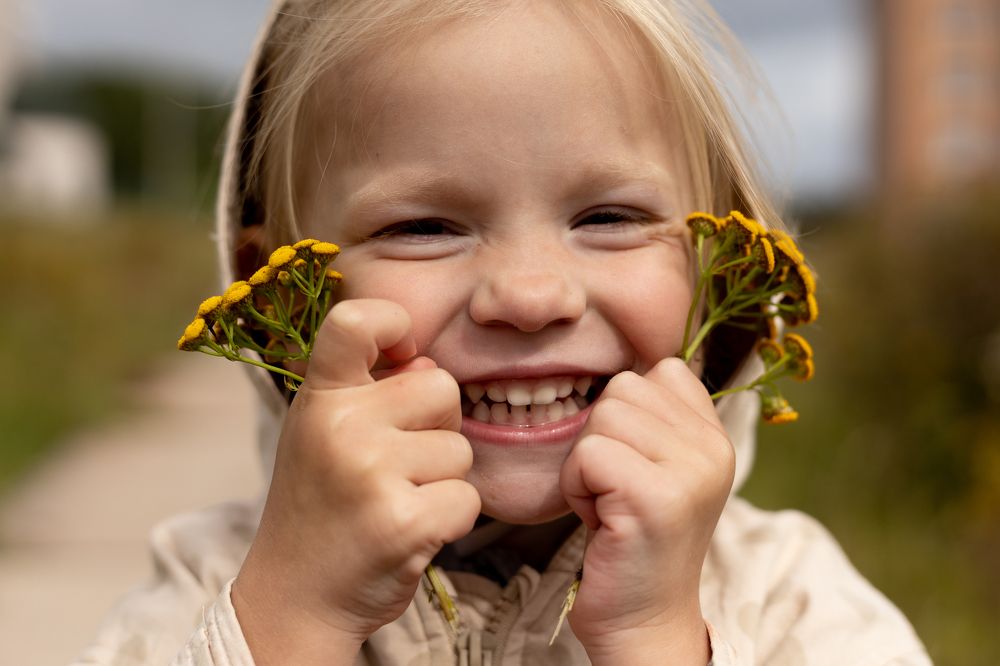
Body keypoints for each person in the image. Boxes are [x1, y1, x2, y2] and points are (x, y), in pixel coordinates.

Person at [76, 1, 931, 664]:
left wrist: (659, 633)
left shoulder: (790, 598)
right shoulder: (217, 580)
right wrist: (296, 616)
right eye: (424, 227)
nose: (529, 295)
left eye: (608, 216)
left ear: (711, 263)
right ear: (283, 297)